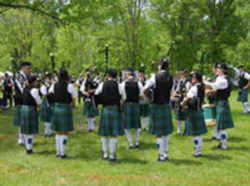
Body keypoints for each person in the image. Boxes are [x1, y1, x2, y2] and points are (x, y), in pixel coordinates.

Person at [143, 59, 173, 162]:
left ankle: (161, 155)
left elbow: (144, 89)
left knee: (159, 133)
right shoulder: (170, 77)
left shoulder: (154, 77)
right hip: (166, 105)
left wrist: (149, 98)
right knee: (166, 132)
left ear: (160, 66)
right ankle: (166, 153)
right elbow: (172, 92)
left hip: (156, 105)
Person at [95, 68, 124, 161]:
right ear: (116, 76)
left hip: (106, 109)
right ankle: (112, 155)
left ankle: (105, 154)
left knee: (105, 134)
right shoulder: (119, 85)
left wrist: (100, 102)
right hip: (115, 109)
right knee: (113, 134)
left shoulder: (102, 84)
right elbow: (124, 97)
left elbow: (96, 94)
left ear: (108, 75)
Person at [204, 63, 234, 150]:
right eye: (217, 68)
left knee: (222, 127)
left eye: (219, 68)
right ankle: (222, 144)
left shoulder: (224, 80)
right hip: (220, 103)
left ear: (224, 70)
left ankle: (224, 145)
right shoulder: (221, 78)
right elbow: (215, 88)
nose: (217, 69)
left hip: (222, 103)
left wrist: (202, 81)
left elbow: (214, 85)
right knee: (220, 126)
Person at [49, 69, 77, 158]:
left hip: (56, 108)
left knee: (57, 132)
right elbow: (74, 98)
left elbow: (49, 94)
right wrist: (73, 104)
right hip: (65, 108)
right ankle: (63, 153)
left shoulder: (54, 85)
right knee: (64, 132)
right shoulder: (70, 86)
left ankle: (58, 152)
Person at [181, 72, 207, 157]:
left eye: (192, 78)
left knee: (195, 133)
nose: (191, 79)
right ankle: (199, 151)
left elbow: (187, 98)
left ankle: (197, 152)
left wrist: (182, 103)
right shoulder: (202, 87)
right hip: (199, 110)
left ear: (196, 79)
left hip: (193, 112)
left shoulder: (194, 88)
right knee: (199, 133)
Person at [120, 68, 143, 149]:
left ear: (127, 75)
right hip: (136, 104)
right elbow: (141, 96)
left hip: (127, 105)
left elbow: (123, 97)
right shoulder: (139, 83)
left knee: (127, 126)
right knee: (137, 126)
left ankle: (130, 144)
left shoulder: (123, 84)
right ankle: (137, 143)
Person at [20, 75, 42, 154]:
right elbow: (38, 101)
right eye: (36, 81)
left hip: (24, 109)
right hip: (30, 110)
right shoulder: (34, 90)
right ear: (33, 82)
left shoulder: (24, 88)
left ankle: (28, 147)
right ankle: (29, 149)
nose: (37, 82)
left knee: (26, 130)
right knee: (30, 130)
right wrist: (40, 107)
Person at [13, 62, 31, 145]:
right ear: (23, 68)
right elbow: (21, 88)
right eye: (28, 68)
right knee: (21, 120)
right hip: (20, 100)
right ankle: (21, 138)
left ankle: (24, 137)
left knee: (24, 119)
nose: (29, 70)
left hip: (25, 100)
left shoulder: (26, 76)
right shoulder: (18, 76)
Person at [172, 69, 191, 135]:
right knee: (178, 114)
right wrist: (175, 93)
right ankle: (179, 129)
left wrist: (180, 94)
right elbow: (177, 89)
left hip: (185, 99)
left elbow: (187, 91)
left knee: (185, 115)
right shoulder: (179, 81)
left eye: (183, 73)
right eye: (181, 73)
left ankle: (186, 129)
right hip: (179, 99)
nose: (181, 75)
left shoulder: (188, 82)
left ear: (185, 74)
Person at [206, 63, 220, 140]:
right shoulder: (214, 77)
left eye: (213, 68)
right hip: (212, 98)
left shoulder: (219, 78)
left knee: (216, 117)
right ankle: (216, 134)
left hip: (217, 99)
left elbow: (216, 88)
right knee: (214, 117)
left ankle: (218, 135)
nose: (212, 69)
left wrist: (209, 91)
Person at [40, 73, 54, 137]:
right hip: (46, 102)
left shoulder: (52, 85)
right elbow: (44, 95)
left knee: (50, 117)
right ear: (45, 79)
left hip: (51, 102)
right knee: (46, 118)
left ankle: (50, 132)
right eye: (48, 78)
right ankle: (46, 132)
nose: (50, 80)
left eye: (51, 78)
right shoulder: (43, 86)